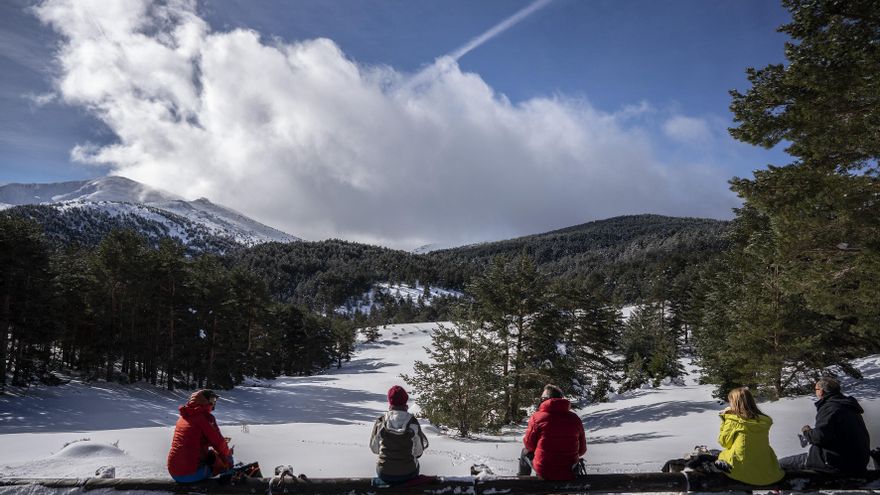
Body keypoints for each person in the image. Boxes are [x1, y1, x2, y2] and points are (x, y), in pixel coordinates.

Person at [778, 377, 870, 474]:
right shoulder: (848, 406)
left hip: (836, 463)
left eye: (816, 389)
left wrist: (807, 432)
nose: (815, 392)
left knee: (780, 464)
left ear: (821, 391)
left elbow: (820, 437)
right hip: (858, 461)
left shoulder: (830, 407)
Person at [716, 387, 785, 485]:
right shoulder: (763, 421)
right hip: (766, 471)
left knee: (715, 457)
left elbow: (724, 442)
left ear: (735, 403)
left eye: (730, 401)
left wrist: (725, 419)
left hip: (742, 470)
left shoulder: (734, 421)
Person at [519, 384, 587, 480]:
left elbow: (529, 445)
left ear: (547, 399)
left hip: (544, 470)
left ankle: (522, 485)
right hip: (569, 471)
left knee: (524, 452)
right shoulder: (575, 418)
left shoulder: (537, 417)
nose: (540, 401)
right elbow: (582, 450)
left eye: (542, 398)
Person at [167, 389, 234, 483]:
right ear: (204, 401)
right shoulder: (206, 418)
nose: (214, 403)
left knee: (212, 454)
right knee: (222, 457)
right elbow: (219, 443)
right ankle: (229, 476)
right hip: (191, 474)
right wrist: (229, 460)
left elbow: (192, 441)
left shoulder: (184, 417)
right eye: (212, 400)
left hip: (174, 472)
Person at [370, 385, 429, 484]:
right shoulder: (412, 422)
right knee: (415, 465)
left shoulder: (381, 422)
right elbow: (418, 452)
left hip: (384, 473)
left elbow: (374, 449)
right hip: (408, 473)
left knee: (381, 466)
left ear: (390, 402)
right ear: (405, 401)